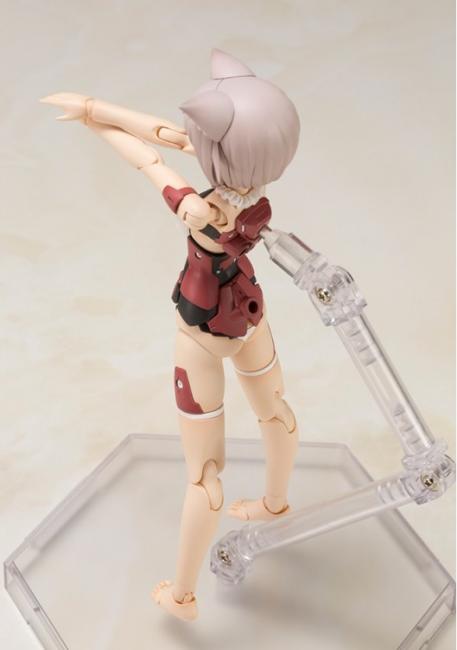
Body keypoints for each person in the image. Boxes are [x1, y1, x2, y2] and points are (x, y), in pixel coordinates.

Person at [42, 48, 301, 621]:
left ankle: (182, 594)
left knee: (204, 476)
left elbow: (149, 159)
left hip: (202, 333)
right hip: (250, 316)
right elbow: (171, 135)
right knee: (276, 413)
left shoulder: (202, 212)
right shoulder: (256, 191)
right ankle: (276, 503)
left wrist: (95, 121)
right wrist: (95, 109)